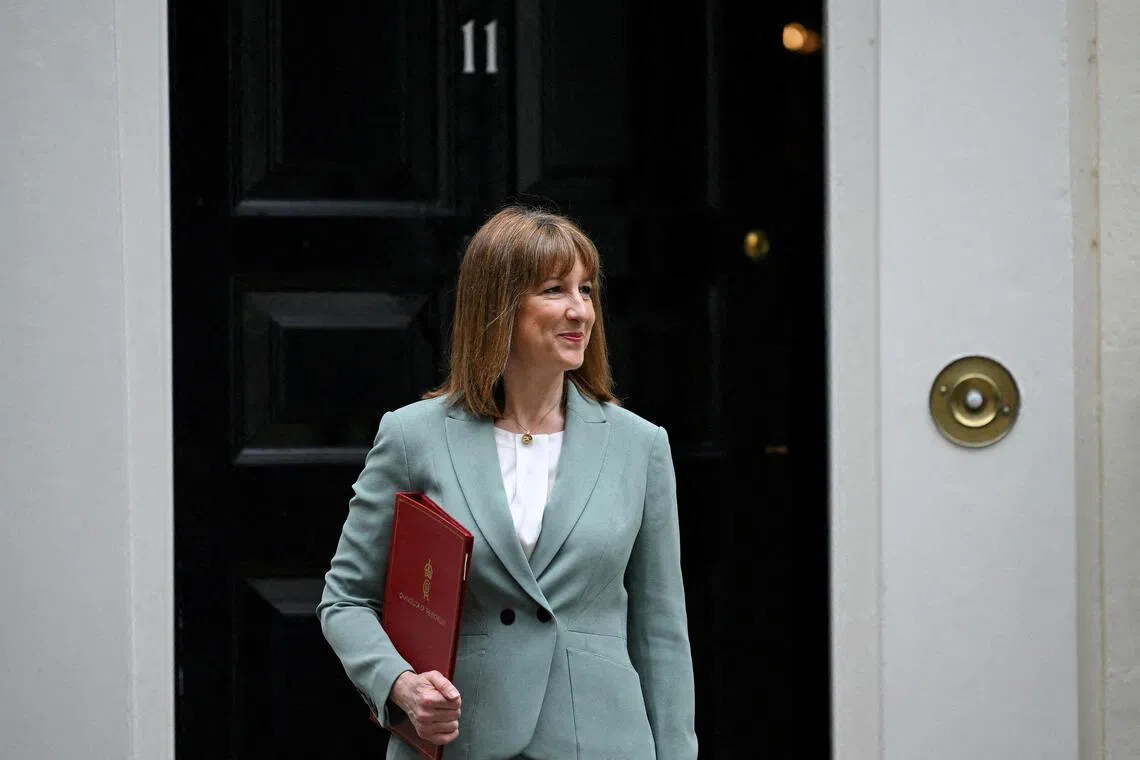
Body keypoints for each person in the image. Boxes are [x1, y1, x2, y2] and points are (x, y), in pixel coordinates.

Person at [317, 204, 698, 760]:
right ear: (499, 307)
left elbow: (662, 632)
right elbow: (346, 598)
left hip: (602, 743)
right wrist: (399, 685)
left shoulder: (639, 445)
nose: (580, 311)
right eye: (554, 290)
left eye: (586, 290)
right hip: (463, 742)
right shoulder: (412, 436)